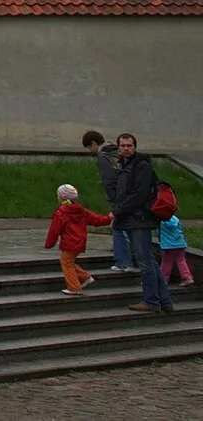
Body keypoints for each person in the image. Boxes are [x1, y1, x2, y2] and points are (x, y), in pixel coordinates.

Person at [111, 133, 174, 314]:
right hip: (132, 218)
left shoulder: (141, 165)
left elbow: (139, 193)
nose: (126, 148)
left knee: (144, 261)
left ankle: (151, 301)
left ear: (135, 146)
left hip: (140, 219)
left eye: (129, 145)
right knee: (149, 260)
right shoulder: (126, 165)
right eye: (122, 145)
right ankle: (164, 301)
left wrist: (118, 210)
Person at [44, 182, 110, 295]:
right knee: (68, 261)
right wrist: (109, 218)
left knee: (66, 263)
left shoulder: (61, 212)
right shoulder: (81, 210)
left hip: (69, 242)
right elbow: (96, 220)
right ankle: (84, 277)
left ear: (62, 197)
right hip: (80, 242)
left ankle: (74, 287)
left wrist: (49, 244)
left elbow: (54, 230)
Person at [85, 130, 135, 273]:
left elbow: (109, 181)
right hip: (132, 194)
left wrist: (114, 202)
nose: (90, 151)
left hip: (120, 197)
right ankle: (133, 260)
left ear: (94, 143)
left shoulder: (103, 156)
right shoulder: (118, 151)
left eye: (89, 148)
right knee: (131, 228)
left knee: (118, 227)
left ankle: (122, 262)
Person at [158, 185, 192, 290]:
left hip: (168, 246)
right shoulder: (174, 218)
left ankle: (163, 279)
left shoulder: (162, 220)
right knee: (181, 261)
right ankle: (187, 277)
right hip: (180, 244)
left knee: (166, 263)